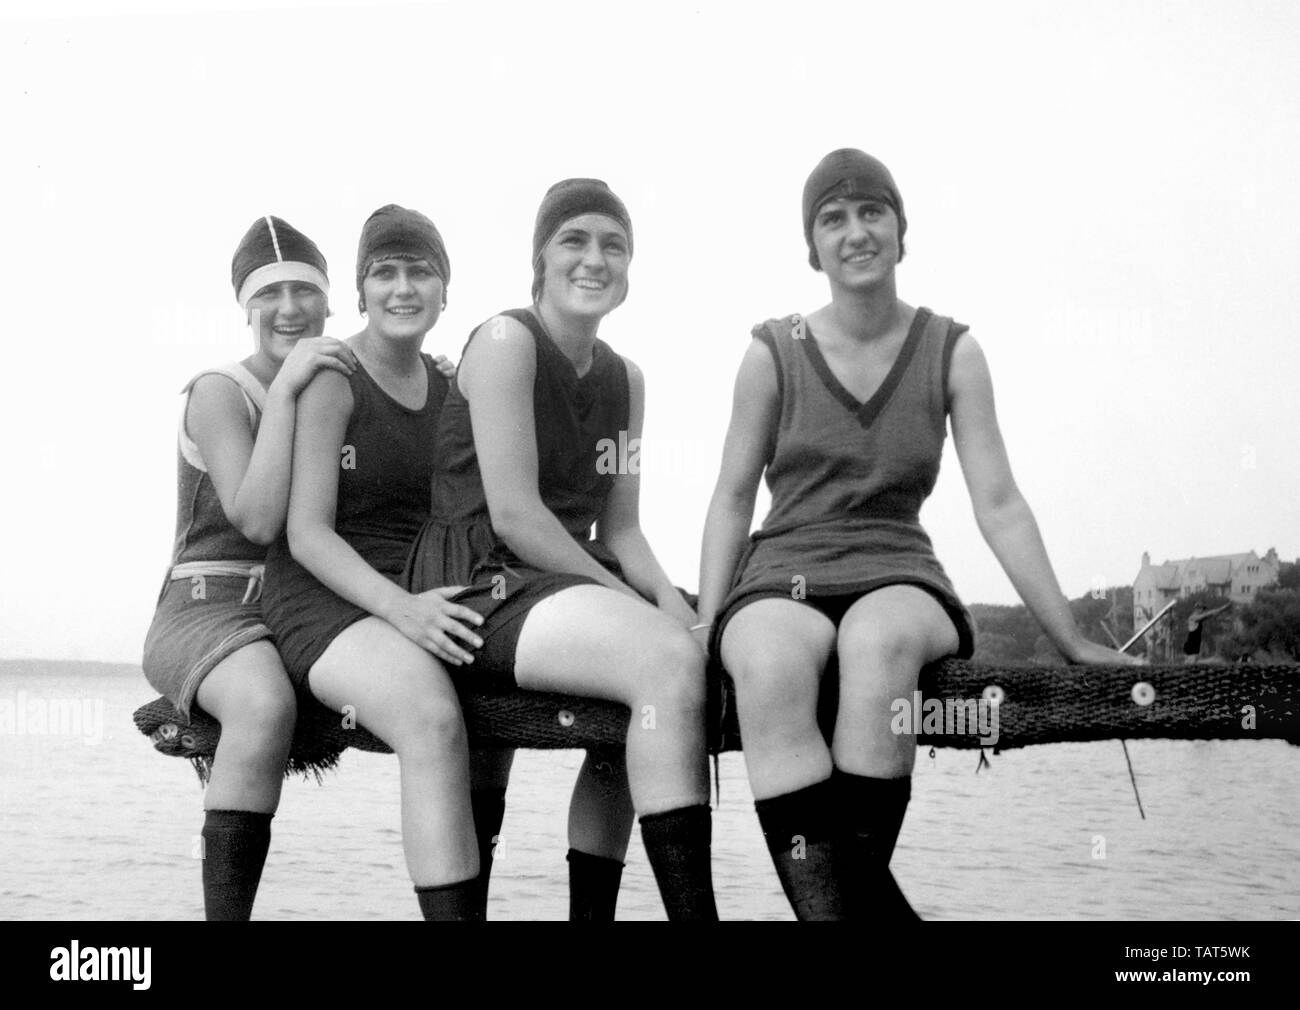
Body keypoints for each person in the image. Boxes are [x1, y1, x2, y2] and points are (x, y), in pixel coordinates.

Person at [695, 149, 1141, 921]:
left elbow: (998, 502)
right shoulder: (772, 352)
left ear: (902, 232)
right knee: (765, 662)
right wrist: (707, 624)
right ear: (813, 248)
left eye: (873, 213)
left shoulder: (951, 350)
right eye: (833, 220)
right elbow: (732, 499)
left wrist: (1067, 635)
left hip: (899, 572)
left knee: (879, 646)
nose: (856, 232)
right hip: (783, 571)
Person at [406, 178, 718, 921]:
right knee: (661, 659)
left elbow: (622, 530)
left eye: (614, 245)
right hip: (479, 578)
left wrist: (674, 603)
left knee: (692, 645)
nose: (594, 258)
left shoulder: (626, 380)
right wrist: (636, 612)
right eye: (574, 240)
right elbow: (515, 515)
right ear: (540, 259)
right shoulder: (508, 342)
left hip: (562, 575)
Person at [260, 204, 488, 920]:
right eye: (383, 273)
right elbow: (305, 533)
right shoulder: (336, 376)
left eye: (419, 272)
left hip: (410, 588)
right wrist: (406, 611)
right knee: (430, 720)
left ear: (445, 291)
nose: (401, 288)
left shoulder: (452, 386)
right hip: (321, 597)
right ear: (359, 293)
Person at [142, 215, 358, 920]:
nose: (290, 309)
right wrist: (290, 388)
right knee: (263, 705)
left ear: (332, 304)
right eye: (270, 294)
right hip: (201, 610)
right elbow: (258, 519)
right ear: (245, 307)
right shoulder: (218, 392)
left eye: (306, 291)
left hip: (294, 610)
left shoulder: (341, 384)